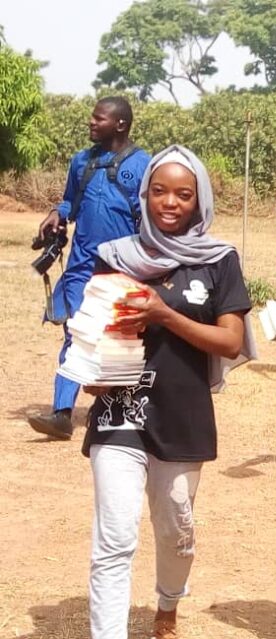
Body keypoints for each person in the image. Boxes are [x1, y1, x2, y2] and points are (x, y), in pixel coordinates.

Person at [73, 145, 254, 639]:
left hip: (182, 413)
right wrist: (90, 370)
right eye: (158, 191)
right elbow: (95, 330)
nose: (169, 202)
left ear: (199, 200)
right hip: (119, 413)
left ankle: (168, 605)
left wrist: (165, 315)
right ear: (144, 195)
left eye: (183, 193)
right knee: (114, 537)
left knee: (176, 526)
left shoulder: (218, 260)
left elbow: (230, 341)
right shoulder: (116, 256)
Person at [28, 97, 151, 440]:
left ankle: (116, 410)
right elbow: (71, 200)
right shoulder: (81, 161)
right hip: (81, 266)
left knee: (119, 337)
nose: (91, 123)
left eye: (99, 119)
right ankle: (62, 414)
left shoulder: (144, 165)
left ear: (120, 124)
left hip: (124, 269)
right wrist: (57, 213)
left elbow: (151, 218)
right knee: (76, 332)